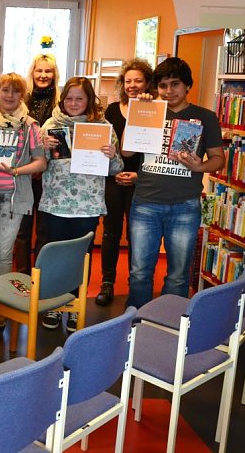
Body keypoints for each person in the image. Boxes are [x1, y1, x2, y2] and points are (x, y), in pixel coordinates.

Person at [124, 58, 224, 309]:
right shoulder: (149, 111)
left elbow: (218, 159)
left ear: (187, 85)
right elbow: (126, 151)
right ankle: (135, 322)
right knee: (139, 272)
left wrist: (199, 167)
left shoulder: (205, 117)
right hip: (146, 202)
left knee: (178, 274)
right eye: (163, 85)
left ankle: (170, 324)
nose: (169, 91)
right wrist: (137, 111)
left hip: (185, 205)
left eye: (175, 84)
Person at [39, 76, 123, 332]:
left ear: (89, 100)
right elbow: (38, 163)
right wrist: (43, 148)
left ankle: (75, 305)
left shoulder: (103, 127)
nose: (74, 103)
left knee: (80, 258)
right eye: (69, 98)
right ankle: (53, 305)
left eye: (79, 98)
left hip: (87, 206)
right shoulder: (50, 125)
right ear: (62, 100)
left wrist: (112, 155)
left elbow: (116, 169)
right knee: (54, 258)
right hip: (55, 204)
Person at [0, 73, 47, 283]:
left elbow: (41, 162)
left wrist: (16, 171)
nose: (10, 95)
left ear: (23, 95)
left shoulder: (30, 126)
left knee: (4, 253)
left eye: (15, 91)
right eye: (5, 90)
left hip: (14, 198)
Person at [96, 58, 154, 306]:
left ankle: (135, 285)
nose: (132, 85)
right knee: (110, 232)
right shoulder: (111, 110)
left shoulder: (154, 109)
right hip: (113, 179)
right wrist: (114, 172)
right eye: (128, 81)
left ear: (147, 83)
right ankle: (107, 282)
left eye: (138, 80)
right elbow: (104, 145)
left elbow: (155, 150)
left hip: (142, 180)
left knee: (136, 234)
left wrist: (138, 176)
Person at [15, 54, 60, 273]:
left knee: (45, 231)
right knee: (22, 230)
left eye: (48, 71)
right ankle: (22, 277)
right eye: (39, 70)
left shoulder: (61, 103)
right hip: (24, 173)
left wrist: (44, 164)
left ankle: (40, 277)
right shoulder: (21, 101)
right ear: (32, 72)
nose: (43, 75)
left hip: (50, 175)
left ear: (54, 74)